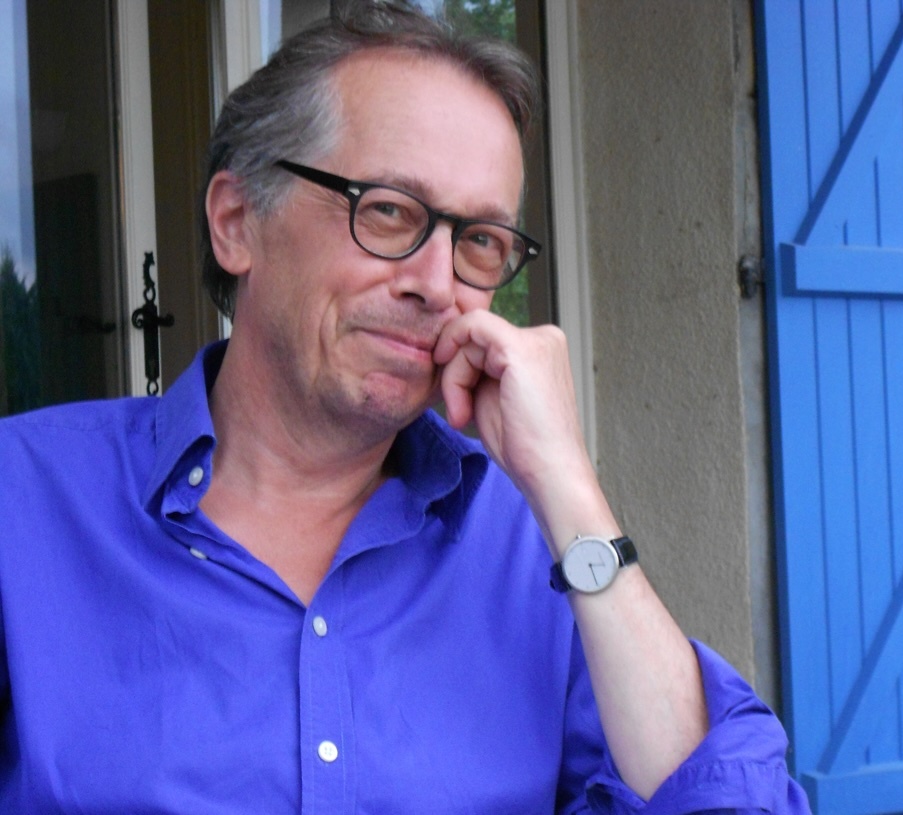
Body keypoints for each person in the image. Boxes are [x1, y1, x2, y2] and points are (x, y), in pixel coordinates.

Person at [0, 2, 811, 812]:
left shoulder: (533, 546)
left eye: (480, 239)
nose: (436, 281)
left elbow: (730, 799)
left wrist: (569, 484)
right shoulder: (25, 501)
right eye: (388, 209)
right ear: (237, 222)